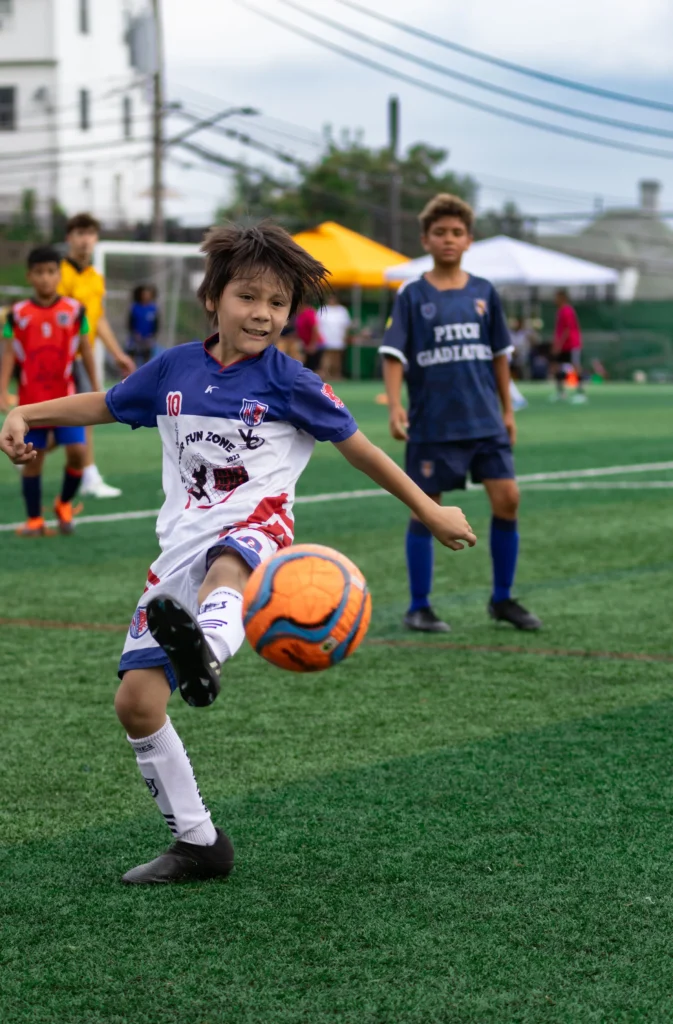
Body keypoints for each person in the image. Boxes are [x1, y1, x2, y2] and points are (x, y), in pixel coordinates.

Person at [0, 221, 476, 885]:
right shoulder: (174, 368)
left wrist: (428, 508)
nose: (262, 314)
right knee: (136, 703)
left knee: (228, 566)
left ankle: (208, 651)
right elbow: (105, 403)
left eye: (278, 303)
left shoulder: (291, 381)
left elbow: (361, 449)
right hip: (178, 549)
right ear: (213, 298)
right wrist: (27, 413)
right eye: (248, 297)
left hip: (258, 530)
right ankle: (198, 842)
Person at [379, 193, 542, 634]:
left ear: (469, 240)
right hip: (433, 422)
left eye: (456, 232)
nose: (448, 239)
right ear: (425, 240)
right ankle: (419, 606)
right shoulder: (412, 294)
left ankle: (502, 599)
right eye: (439, 233)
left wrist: (508, 410)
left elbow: (500, 356)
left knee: (508, 498)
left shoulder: (484, 291)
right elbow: (393, 355)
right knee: (426, 508)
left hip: (485, 419)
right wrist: (395, 406)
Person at [0, 246, 98, 536]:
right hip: (31, 403)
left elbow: (85, 349)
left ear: (59, 275)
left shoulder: (75, 310)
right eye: (39, 272)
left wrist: (96, 386)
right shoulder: (17, 314)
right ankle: (34, 520)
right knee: (32, 458)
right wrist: (3, 390)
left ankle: (63, 504)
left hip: (67, 400)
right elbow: (9, 353)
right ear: (29, 276)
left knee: (78, 453)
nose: (45, 278)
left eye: (51, 271)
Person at [59, 212, 136, 498]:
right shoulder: (59, 274)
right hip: (64, 358)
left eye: (90, 233)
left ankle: (86, 473)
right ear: (69, 238)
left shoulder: (95, 277)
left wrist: (117, 354)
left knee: (79, 415)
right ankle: (87, 475)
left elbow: (98, 318)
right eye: (79, 233)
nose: (85, 240)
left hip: (85, 356)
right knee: (81, 413)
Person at [551, 289, 586, 404]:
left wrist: (558, 345)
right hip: (563, 345)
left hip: (571, 344)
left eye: (556, 297)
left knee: (576, 367)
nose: (554, 300)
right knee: (556, 367)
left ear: (562, 298)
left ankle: (581, 394)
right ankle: (561, 393)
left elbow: (567, 330)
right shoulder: (560, 311)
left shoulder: (567, 311)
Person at [317, 293, 352, 379]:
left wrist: (345, 336)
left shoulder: (342, 310)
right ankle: (325, 374)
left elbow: (346, 325)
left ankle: (336, 374)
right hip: (326, 337)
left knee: (337, 357)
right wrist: (319, 336)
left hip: (338, 337)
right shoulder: (322, 309)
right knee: (327, 355)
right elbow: (317, 324)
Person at [127, 285, 159, 367]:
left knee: (146, 360)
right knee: (132, 357)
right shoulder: (135, 307)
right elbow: (130, 323)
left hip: (147, 339)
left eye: (148, 294)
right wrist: (134, 333)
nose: (146, 296)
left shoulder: (153, 308)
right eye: (144, 294)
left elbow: (156, 324)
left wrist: (152, 335)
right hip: (136, 338)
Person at [294, 301, 324, 373]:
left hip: (314, 344)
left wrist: (312, 344)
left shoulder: (309, 313)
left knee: (315, 367)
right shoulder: (299, 314)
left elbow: (315, 329)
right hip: (306, 344)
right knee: (307, 366)